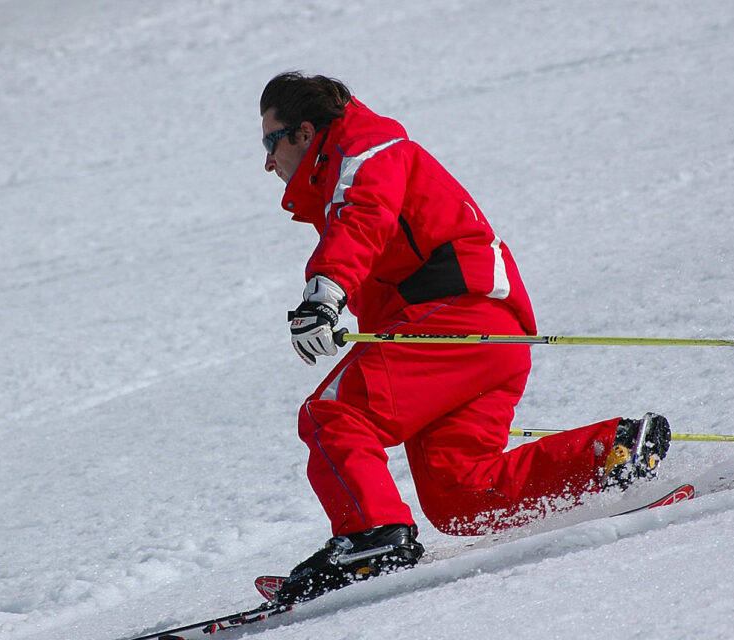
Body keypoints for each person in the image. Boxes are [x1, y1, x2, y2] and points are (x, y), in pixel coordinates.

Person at [259, 72, 671, 604]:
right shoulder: (341, 178)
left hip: (460, 316)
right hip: (490, 339)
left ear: (304, 133)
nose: (268, 162)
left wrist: (324, 294)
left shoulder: (367, 148)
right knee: (459, 496)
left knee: (334, 416)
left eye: (271, 142)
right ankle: (609, 453)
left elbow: (363, 219)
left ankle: (372, 539)